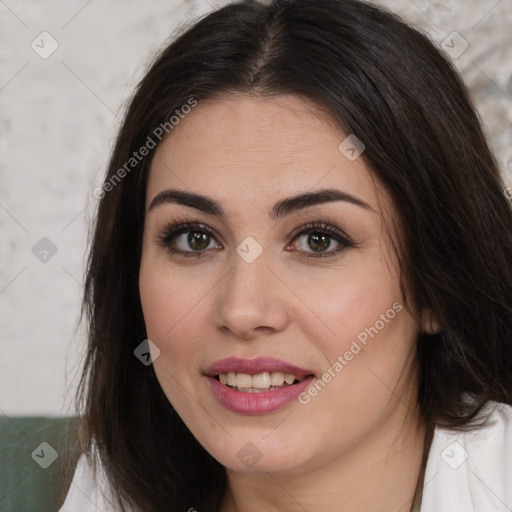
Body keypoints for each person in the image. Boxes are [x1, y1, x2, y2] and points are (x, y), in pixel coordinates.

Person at [59, 0, 512, 510]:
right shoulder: (108, 488)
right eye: (195, 238)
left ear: (438, 285)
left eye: (319, 240)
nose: (242, 311)